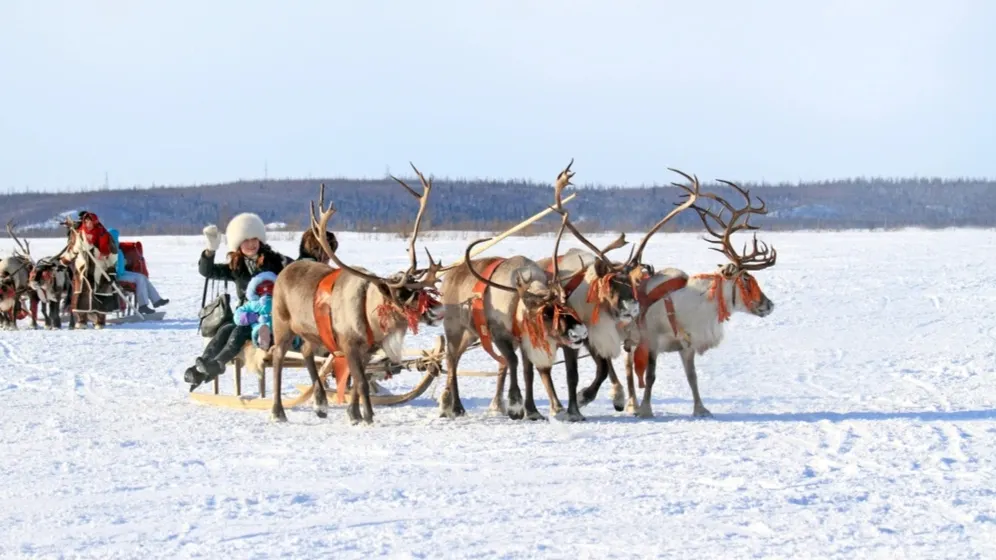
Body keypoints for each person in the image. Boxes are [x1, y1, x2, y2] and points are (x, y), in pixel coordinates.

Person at [186, 212, 289, 389]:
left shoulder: (275, 261)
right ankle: (202, 366)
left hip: (268, 317)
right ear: (238, 244)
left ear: (260, 240)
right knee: (225, 329)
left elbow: (297, 269)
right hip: (244, 316)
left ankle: (217, 365)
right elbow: (207, 272)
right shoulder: (237, 266)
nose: (251, 244)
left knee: (238, 332)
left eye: (254, 239)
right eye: (245, 241)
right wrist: (210, 250)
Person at [108, 227, 169, 315]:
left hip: (122, 272)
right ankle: (143, 306)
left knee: (142, 277)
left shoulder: (116, 246)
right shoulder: (109, 248)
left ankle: (156, 300)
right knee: (139, 279)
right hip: (117, 274)